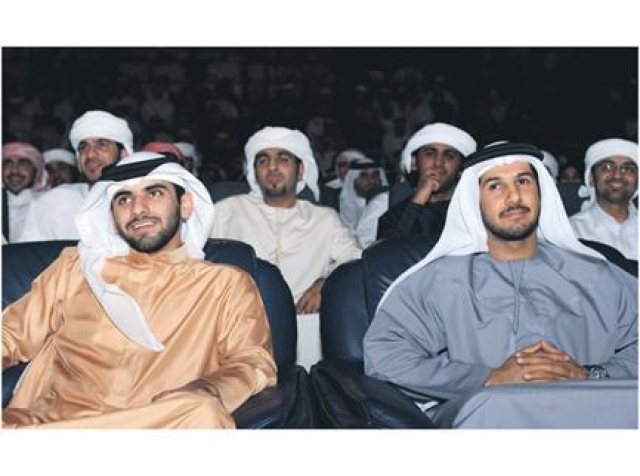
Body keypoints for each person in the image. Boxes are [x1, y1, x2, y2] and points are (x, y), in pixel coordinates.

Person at [364, 142, 637, 427]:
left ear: (540, 192)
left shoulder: (594, 274)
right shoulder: (442, 279)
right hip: (491, 418)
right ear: (475, 202)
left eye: (523, 181)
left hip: (589, 412)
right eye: (495, 186)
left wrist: (592, 375)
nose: (514, 196)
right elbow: (385, 355)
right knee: (494, 405)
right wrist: (488, 378)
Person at [2, 151, 277, 429]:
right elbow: (10, 335)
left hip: (158, 426)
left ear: (185, 205)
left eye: (154, 193)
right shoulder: (75, 268)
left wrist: (210, 387)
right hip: (53, 426)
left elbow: (252, 361)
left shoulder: (224, 284)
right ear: (111, 216)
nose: (137, 209)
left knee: (202, 410)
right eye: (124, 199)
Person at [210, 126, 362, 369]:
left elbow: (355, 259)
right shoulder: (226, 211)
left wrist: (326, 283)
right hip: (240, 327)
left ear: (300, 170)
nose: (272, 167)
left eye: (283, 159)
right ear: (254, 172)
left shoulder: (325, 218)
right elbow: (195, 257)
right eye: (263, 160)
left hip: (307, 327)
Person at [15, 110, 134, 242]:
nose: (90, 155)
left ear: (124, 154)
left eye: (102, 145)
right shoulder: (54, 202)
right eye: (83, 147)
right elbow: (29, 251)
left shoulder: (141, 202)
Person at [376, 122, 477, 241]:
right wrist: (417, 202)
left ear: (461, 167)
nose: (438, 163)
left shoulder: (475, 212)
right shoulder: (394, 217)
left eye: (449, 155)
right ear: (414, 163)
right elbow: (387, 250)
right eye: (430, 154)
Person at [570, 138, 638, 260]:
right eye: (607, 167)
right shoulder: (572, 231)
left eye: (627, 169)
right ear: (591, 178)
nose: (617, 175)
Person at [2, 142, 47, 242]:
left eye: (23, 163)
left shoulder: (48, 204)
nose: (14, 170)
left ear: (36, 170)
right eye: (8, 163)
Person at [338, 157, 388, 247]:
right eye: (363, 176)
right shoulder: (337, 205)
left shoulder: (384, 202)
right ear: (353, 178)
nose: (371, 180)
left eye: (375, 175)